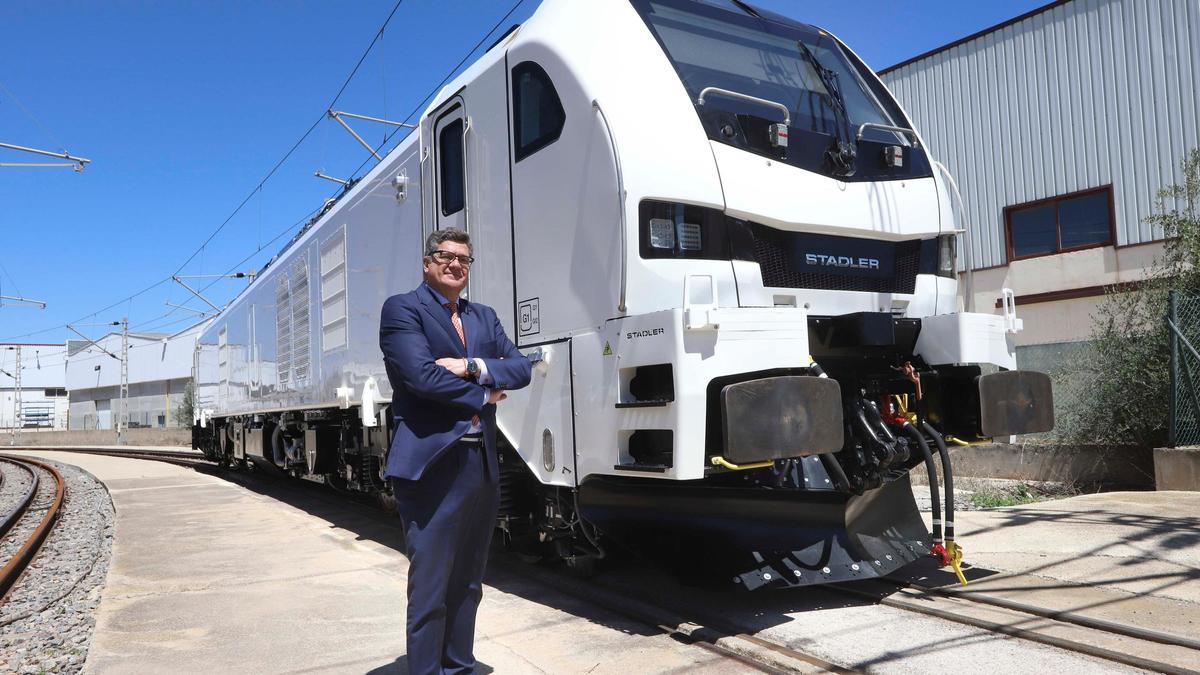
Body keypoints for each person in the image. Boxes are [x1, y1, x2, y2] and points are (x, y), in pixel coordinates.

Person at [379, 227, 532, 675]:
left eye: (464, 259)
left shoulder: (483, 316)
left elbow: (520, 367)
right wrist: (484, 395)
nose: (455, 265)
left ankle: (459, 667)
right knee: (430, 584)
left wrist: (471, 366)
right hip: (432, 466)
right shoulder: (404, 309)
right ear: (427, 262)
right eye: (446, 256)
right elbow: (420, 377)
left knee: (468, 582)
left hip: (479, 466)